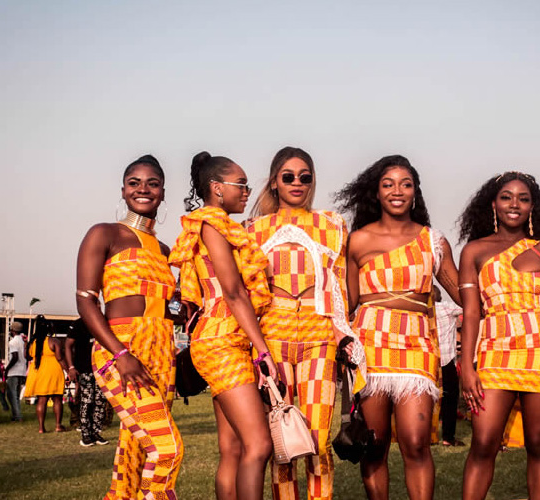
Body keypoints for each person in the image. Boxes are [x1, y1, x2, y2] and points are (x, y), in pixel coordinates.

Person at [336, 154, 460, 500]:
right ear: (376, 192)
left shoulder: (433, 241)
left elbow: (461, 291)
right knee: (374, 444)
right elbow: (347, 302)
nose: (397, 191)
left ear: (415, 192)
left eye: (406, 184)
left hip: (418, 343)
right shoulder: (357, 240)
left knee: (417, 441)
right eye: (388, 184)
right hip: (370, 345)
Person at [247, 146, 364, 500]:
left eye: (305, 176)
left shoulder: (333, 224)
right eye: (288, 177)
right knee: (283, 441)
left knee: (317, 440)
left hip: (319, 335)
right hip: (271, 337)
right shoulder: (252, 230)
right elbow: (247, 290)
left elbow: (340, 286)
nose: (297, 182)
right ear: (274, 182)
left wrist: (343, 334)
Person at [169, 151, 278, 500]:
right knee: (259, 445)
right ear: (217, 187)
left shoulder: (213, 225)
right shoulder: (213, 225)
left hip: (219, 339)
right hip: (222, 341)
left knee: (232, 449)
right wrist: (263, 350)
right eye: (240, 184)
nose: (247, 192)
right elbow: (233, 292)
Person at [76, 154, 183, 498]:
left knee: (134, 451)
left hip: (161, 349)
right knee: (166, 449)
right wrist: (121, 355)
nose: (143, 189)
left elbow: (167, 308)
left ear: (163, 192)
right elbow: (86, 301)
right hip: (120, 349)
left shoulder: (164, 249)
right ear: (123, 190)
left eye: (153, 183)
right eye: (134, 183)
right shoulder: (104, 233)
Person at [457, 172, 540, 500]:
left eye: (523, 198)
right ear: (493, 203)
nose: (514, 204)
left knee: (538, 443)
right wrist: (467, 366)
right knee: (483, 442)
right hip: (495, 351)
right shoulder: (474, 250)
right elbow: (472, 313)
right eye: (506, 197)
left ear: (533, 207)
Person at [65, 317, 109, 446]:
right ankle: (85, 434)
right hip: (84, 368)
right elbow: (68, 345)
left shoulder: (103, 321)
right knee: (87, 400)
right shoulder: (79, 324)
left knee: (100, 401)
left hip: (102, 369)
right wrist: (71, 367)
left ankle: (96, 432)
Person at [23, 315, 67, 433]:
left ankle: (41, 428)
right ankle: (58, 426)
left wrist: (26, 344)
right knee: (57, 399)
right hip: (53, 371)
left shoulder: (32, 342)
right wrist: (69, 370)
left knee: (42, 399)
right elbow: (60, 358)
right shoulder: (54, 341)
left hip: (38, 372)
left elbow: (26, 356)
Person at [432, 285, 463, 447]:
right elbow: (466, 305)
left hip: (427, 362)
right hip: (446, 361)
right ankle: (448, 437)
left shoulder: (422, 311)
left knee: (427, 400)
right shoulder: (446, 308)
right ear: (440, 298)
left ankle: (427, 436)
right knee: (450, 400)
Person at [5, 321, 27, 422]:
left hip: (14, 371)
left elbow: (15, 357)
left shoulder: (12, 342)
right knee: (16, 395)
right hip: (22, 370)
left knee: (11, 394)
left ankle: (17, 416)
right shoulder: (23, 341)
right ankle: (17, 415)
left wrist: (7, 368)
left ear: (13, 330)